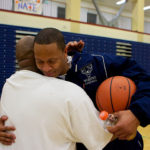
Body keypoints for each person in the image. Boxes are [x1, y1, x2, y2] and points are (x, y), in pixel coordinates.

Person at [1, 28, 150, 149]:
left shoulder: (97, 64)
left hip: (120, 143)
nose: (46, 68)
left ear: (65, 52)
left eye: (52, 61)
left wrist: (136, 113)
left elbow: (146, 80)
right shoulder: (39, 79)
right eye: (40, 62)